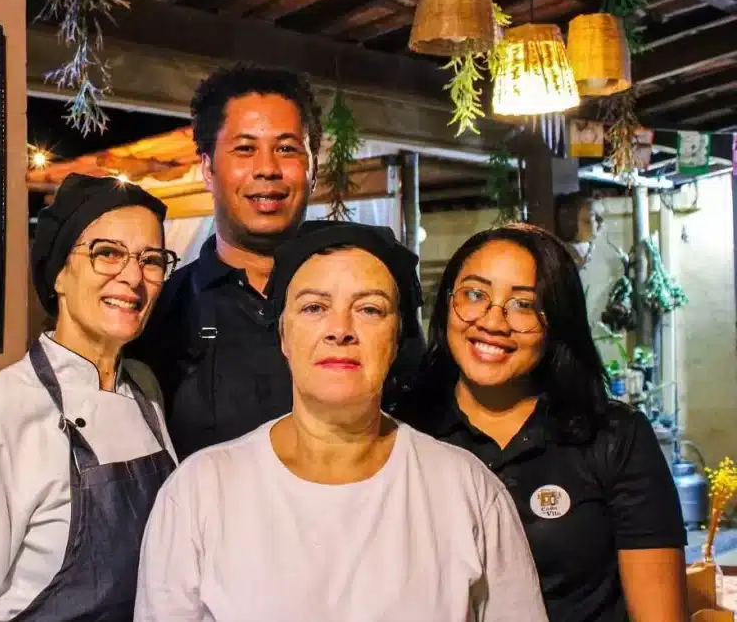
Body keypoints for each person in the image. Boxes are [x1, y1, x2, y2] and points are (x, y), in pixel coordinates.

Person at [134, 221, 549, 622]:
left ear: (396, 338)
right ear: (283, 335)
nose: (340, 330)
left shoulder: (467, 490)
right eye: (314, 307)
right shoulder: (199, 493)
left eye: (369, 309)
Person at [0, 174, 179, 622]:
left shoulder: (146, 391)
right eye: (108, 253)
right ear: (58, 273)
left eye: (151, 260)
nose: (133, 276)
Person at [397, 223, 687, 622]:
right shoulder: (403, 432)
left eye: (524, 304)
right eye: (475, 294)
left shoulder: (613, 436)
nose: (493, 322)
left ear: (557, 323)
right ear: (447, 304)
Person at [125, 64, 321, 460]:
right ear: (207, 169)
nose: (267, 168)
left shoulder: (363, 302)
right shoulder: (159, 312)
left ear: (313, 167)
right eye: (245, 149)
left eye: (287, 148)